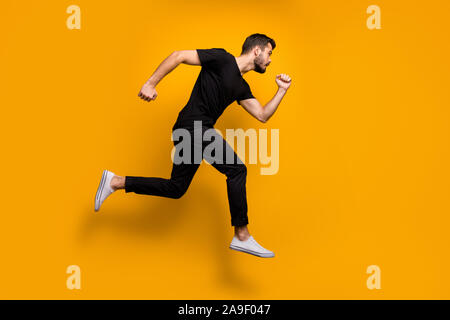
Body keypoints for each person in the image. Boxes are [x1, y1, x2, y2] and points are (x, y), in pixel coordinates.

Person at [94, 33, 291, 258]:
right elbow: (178, 56)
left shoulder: (241, 86)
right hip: (192, 127)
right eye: (269, 53)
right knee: (237, 170)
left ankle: (116, 181)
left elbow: (263, 115)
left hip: (194, 131)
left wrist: (282, 90)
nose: (270, 59)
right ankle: (242, 235)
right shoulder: (222, 58)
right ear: (256, 51)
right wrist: (151, 83)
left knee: (176, 188)